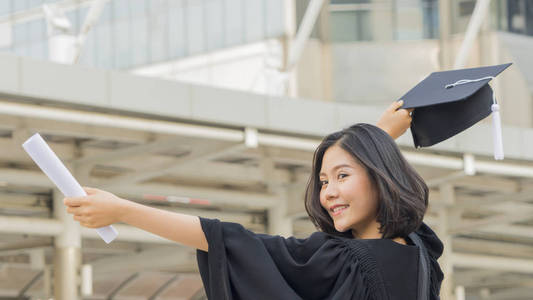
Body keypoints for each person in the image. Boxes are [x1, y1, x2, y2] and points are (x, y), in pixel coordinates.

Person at [64, 101, 444, 299]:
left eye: (342, 176)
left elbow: (225, 239)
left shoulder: (343, 261)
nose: (327, 192)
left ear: (380, 174)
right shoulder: (420, 250)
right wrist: (377, 138)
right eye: (324, 180)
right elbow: (381, 184)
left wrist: (125, 210)